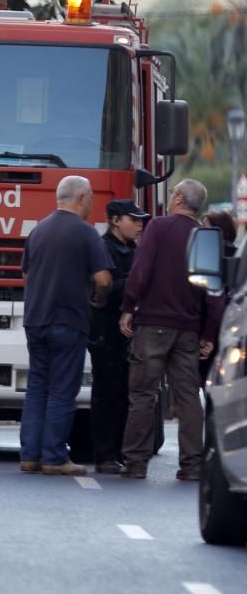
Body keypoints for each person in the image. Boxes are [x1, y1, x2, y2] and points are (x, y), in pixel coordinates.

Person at [119, 179, 224, 480]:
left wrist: (128, 306)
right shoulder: (205, 237)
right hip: (188, 329)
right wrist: (208, 334)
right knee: (189, 397)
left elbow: (141, 270)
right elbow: (213, 292)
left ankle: (136, 463)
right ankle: (191, 465)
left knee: (143, 394)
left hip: (153, 323)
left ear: (177, 197)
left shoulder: (158, 227)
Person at [19, 176, 112, 476]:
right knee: (61, 390)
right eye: (92, 199)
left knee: (37, 388)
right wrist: (98, 300)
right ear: (82, 198)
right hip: (68, 320)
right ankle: (54, 457)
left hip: (35, 319)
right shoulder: (86, 234)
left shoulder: (38, 230)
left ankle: (30, 456)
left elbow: (26, 274)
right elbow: (104, 279)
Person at [87, 199, 150, 474]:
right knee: (106, 394)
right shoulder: (103, 248)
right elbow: (106, 288)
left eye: (141, 220)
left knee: (127, 393)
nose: (139, 225)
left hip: (129, 333)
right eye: (133, 219)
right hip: (105, 332)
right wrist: (138, 283)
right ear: (114, 220)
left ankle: (121, 451)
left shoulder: (136, 250)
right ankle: (105, 454)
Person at [198, 209, 238, 385]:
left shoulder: (208, 255)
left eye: (205, 227)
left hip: (209, 325)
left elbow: (212, 300)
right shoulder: (240, 254)